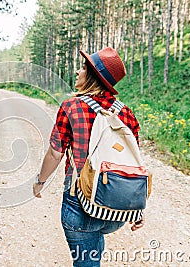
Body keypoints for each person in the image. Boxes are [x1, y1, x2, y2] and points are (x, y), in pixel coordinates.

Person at [33, 47, 145, 267]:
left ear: (92, 77)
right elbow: (134, 163)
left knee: (86, 258)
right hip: (116, 207)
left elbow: (56, 153)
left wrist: (40, 182)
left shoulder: (71, 106)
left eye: (83, 68)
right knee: (95, 245)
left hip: (80, 203)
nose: (77, 72)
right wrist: (138, 208)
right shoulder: (126, 113)